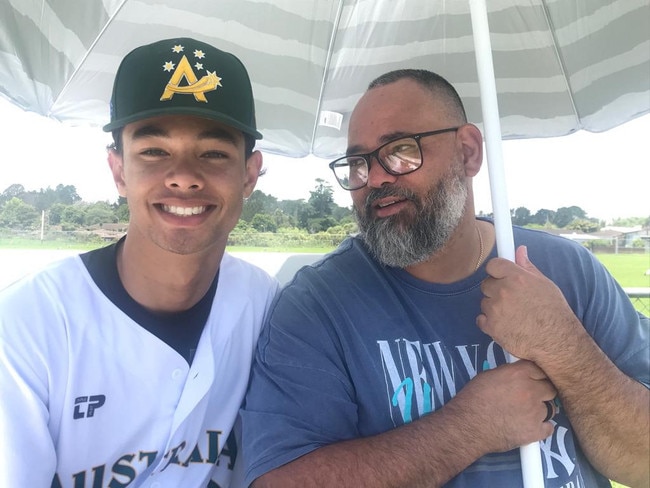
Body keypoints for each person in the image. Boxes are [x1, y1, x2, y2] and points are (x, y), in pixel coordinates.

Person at [241, 69, 649, 487]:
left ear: (469, 152)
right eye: (359, 162)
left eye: (401, 150)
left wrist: (564, 347)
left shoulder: (567, 271)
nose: (377, 177)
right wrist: (469, 428)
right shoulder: (319, 305)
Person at [0, 37, 279, 487]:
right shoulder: (26, 325)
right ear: (119, 171)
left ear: (248, 174)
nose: (185, 177)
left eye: (214, 153)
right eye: (153, 151)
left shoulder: (264, 304)